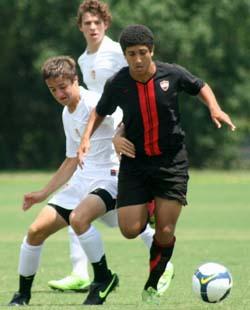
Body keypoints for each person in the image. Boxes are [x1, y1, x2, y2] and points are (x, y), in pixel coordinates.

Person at [77, 24, 236, 304]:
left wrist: (214, 106)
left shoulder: (171, 74)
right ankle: (150, 204)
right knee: (128, 229)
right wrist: (85, 139)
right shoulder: (118, 83)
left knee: (164, 231)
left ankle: (153, 282)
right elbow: (100, 112)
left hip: (171, 162)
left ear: (152, 51)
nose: (137, 60)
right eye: (131, 54)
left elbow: (200, 86)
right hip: (136, 164)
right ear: (124, 55)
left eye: (142, 53)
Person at [48, 0, 174, 295]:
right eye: (87, 23)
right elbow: (97, 104)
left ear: (106, 24)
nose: (92, 27)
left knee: (122, 212)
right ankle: (80, 272)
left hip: (125, 138)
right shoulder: (83, 59)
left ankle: (161, 260)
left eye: (97, 22)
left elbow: (139, 88)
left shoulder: (118, 52)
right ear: (79, 27)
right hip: (102, 139)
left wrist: (123, 130)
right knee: (79, 200)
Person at [8, 56, 121, 306]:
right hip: (82, 179)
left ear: (75, 80)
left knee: (79, 219)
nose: (59, 93)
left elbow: (126, 121)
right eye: (52, 89)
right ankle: (23, 294)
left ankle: (103, 279)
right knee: (35, 231)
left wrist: (122, 139)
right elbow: (71, 160)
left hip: (109, 176)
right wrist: (42, 193)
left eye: (63, 87)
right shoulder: (66, 113)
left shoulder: (96, 102)